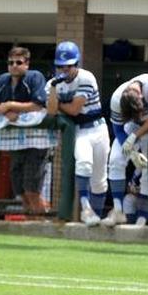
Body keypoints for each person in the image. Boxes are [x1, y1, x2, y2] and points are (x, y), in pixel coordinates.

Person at [0, 46, 51, 215]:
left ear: (27, 64)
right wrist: (4, 110)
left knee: (32, 191)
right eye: (11, 62)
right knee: (20, 192)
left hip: (36, 142)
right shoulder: (3, 79)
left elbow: (38, 104)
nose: (14, 66)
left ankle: (43, 225)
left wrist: (12, 106)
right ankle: (31, 225)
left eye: (18, 62)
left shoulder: (35, 77)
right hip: (15, 143)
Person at [46, 41, 109, 226]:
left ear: (76, 64)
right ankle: (85, 209)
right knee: (83, 164)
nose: (65, 69)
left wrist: (59, 104)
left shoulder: (86, 77)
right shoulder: (53, 83)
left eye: (69, 65)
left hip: (98, 128)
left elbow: (74, 109)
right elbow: (50, 111)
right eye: (60, 66)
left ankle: (95, 217)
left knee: (99, 180)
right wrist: (53, 90)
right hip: (79, 131)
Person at [104, 73, 148, 227]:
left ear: (141, 97)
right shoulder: (117, 98)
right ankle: (118, 211)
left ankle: (142, 219)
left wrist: (135, 136)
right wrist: (131, 152)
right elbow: (118, 129)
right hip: (130, 127)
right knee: (116, 159)